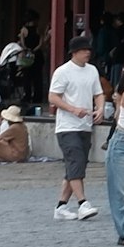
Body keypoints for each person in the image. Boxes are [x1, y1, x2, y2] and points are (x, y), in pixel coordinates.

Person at [47, 38, 104, 223]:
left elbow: (99, 93)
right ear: (74, 52)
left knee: (75, 167)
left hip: (85, 125)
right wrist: (72, 109)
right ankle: (82, 203)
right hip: (67, 126)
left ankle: (61, 206)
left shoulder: (92, 70)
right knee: (76, 161)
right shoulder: (62, 72)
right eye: (83, 50)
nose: (87, 53)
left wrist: (100, 108)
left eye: (88, 49)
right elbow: (53, 97)